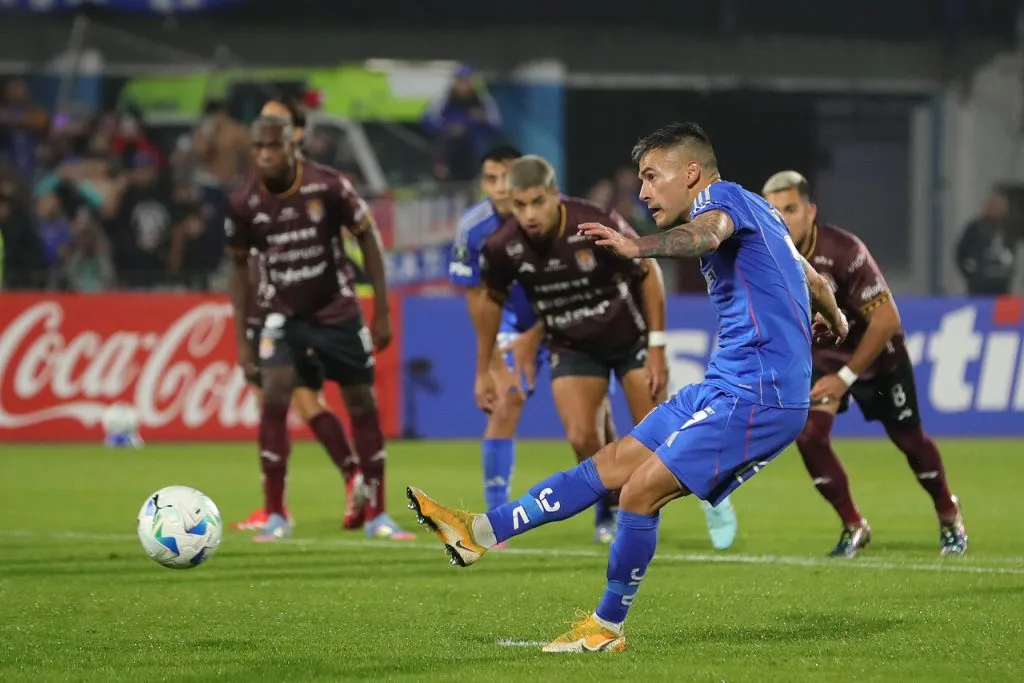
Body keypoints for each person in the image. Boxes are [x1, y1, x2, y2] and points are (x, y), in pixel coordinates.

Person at [406, 122, 849, 652]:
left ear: (690, 173)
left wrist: (637, 246)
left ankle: (606, 627)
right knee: (610, 464)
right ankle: (478, 532)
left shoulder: (721, 200)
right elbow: (815, 281)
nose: (642, 191)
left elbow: (704, 236)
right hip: (726, 383)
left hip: (758, 394)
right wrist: (836, 319)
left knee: (640, 492)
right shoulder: (763, 212)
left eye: (651, 176)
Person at [225, 115, 413, 542]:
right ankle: (275, 514)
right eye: (258, 148)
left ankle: (378, 515)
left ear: (293, 145)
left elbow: (368, 237)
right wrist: (242, 340)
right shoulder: (243, 202)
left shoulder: (328, 186)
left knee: (361, 402)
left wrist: (380, 310)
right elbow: (238, 267)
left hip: (336, 310)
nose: (265, 155)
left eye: (273, 146)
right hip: (281, 314)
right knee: (274, 394)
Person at [762, 170, 968, 557]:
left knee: (911, 443)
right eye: (773, 211)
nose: (782, 219)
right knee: (808, 436)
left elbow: (888, 320)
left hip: (877, 361)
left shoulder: (844, 251)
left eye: (790, 209)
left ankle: (947, 513)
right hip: (823, 360)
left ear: (810, 211)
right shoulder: (770, 256)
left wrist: (844, 376)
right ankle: (854, 525)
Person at [449, 145, 625, 545]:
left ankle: (608, 511)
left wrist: (536, 335)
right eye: (490, 179)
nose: (499, 188)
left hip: (572, 319)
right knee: (506, 400)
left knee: (596, 425)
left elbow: (578, 282)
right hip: (513, 322)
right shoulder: (476, 228)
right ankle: (497, 518)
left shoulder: (560, 217)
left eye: (506, 179)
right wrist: (488, 361)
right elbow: (478, 298)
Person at [233, 99, 368, 536]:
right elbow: (245, 258)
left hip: (297, 309)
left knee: (279, 398)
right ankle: (346, 478)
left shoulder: (318, 186)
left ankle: (278, 507)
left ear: (295, 134)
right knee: (300, 401)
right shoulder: (253, 193)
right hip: (269, 307)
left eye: (279, 125)